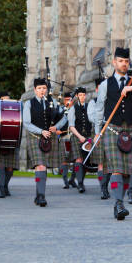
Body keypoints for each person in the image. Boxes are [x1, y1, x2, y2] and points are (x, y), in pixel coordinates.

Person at [91, 47, 132, 220]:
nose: (123, 64)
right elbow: (99, 110)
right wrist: (98, 132)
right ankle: (119, 203)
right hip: (112, 130)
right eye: (120, 61)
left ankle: (120, 199)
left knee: (128, 170)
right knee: (116, 169)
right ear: (114, 62)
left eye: (126, 61)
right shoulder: (106, 85)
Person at [23, 78, 68, 207]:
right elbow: (26, 122)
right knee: (40, 165)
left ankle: (38, 195)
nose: (42, 91)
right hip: (35, 137)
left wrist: (56, 127)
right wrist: (41, 131)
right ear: (35, 90)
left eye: (44, 88)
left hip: (49, 138)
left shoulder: (52, 102)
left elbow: (64, 117)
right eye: (39, 88)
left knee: (44, 167)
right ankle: (42, 196)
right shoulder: (29, 103)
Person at [87, 77, 111, 199]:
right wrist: (104, 119)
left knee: (111, 163)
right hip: (99, 133)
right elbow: (92, 117)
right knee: (101, 163)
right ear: (97, 89)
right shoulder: (93, 102)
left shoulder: (112, 101)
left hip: (112, 133)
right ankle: (103, 188)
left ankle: (107, 184)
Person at [68, 87, 90, 193]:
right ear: (77, 96)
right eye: (80, 95)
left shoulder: (90, 107)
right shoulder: (73, 108)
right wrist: (79, 136)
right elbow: (71, 126)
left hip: (88, 137)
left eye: (83, 95)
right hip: (77, 136)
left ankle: (72, 179)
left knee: (85, 161)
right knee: (79, 160)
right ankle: (80, 184)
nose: (82, 97)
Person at [57, 92, 76, 189]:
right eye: (66, 99)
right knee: (64, 160)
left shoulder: (76, 110)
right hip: (64, 137)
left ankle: (72, 179)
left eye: (69, 99)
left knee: (76, 160)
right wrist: (57, 130)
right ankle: (66, 182)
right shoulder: (60, 110)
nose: (68, 101)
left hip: (74, 137)